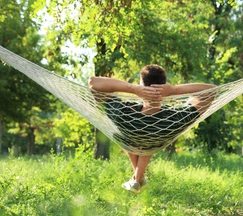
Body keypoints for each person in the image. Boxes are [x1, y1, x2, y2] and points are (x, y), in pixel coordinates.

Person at [88, 64, 216, 193]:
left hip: (129, 136)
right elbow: (212, 91)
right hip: (156, 139)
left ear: (141, 85)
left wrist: (133, 89)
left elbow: (93, 83)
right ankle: (137, 179)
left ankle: (137, 179)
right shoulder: (175, 119)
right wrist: (173, 90)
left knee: (125, 136)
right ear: (164, 85)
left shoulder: (124, 113)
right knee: (149, 138)